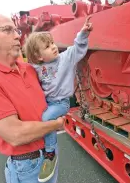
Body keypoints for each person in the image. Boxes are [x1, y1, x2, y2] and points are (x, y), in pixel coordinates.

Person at [0, 14, 65, 183]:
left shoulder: (29, 69)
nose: (18, 35)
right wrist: (57, 124)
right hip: (28, 165)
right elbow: (15, 134)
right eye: (8, 30)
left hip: (50, 152)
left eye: (16, 30)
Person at [25, 16, 93, 182]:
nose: (54, 47)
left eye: (53, 43)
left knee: (46, 118)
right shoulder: (35, 67)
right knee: (39, 118)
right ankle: (44, 145)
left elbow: (77, 48)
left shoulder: (65, 59)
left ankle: (50, 153)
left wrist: (83, 34)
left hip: (61, 102)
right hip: (46, 102)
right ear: (38, 56)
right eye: (48, 47)